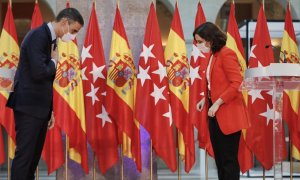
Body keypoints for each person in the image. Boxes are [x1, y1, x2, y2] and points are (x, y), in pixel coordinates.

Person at [6, 8, 84, 180]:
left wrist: (50, 111)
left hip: (39, 109)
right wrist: (54, 61)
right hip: (28, 107)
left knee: (33, 159)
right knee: (25, 157)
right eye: (73, 31)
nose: (73, 36)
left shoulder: (50, 39)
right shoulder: (38, 36)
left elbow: (45, 82)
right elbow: (39, 72)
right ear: (64, 22)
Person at [193, 22, 250, 180]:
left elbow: (236, 83)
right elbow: (215, 83)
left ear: (209, 39)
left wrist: (217, 103)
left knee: (228, 161)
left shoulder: (226, 54)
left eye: (199, 41)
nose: (197, 45)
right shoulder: (213, 55)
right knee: (220, 160)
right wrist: (206, 100)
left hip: (228, 114)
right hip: (214, 114)